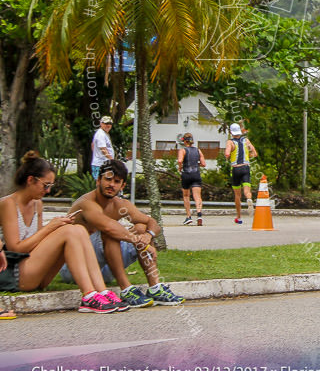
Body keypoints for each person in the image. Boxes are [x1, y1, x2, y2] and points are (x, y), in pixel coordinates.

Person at [0, 152, 126, 313]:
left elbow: (35, 244)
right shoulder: (8, 204)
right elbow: (15, 248)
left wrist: (55, 228)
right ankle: (88, 295)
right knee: (68, 232)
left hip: (36, 273)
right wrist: (51, 228)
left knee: (78, 229)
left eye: (50, 186)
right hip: (15, 273)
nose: (47, 191)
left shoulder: (37, 204)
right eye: (45, 185)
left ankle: (101, 291)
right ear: (30, 180)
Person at [64, 159, 184, 307]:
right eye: (108, 179)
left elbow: (152, 223)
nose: (111, 185)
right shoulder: (87, 203)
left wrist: (148, 236)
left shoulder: (120, 205)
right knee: (111, 232)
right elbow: (108, 227)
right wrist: (141, 242)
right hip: (75, 268)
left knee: (141, 227)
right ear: (98, 180)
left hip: (103, 270)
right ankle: (126, 289)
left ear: (122, 186)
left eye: (116, 181)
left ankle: (155, 288)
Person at [225, 123, 258, 225]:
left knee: (237, 195)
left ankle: (239, 217)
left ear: (231, 132)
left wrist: (228, 157)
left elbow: (227, 154)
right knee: (247, 190)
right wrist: (249, 155)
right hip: (246, 167)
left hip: (236, 169)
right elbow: (254, 153)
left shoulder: (230, 142)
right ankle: (249, 198)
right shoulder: (246, 140)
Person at [177, 133, 206, 226]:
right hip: (196, 174)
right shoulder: (198, 150)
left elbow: (180, 160)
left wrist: (180, 167)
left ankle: (189, 216)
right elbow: (203, 164)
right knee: (197, 196)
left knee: (186, 196)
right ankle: (199, 214)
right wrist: (196, 164)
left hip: (186, 174)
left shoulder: (183, 150)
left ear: (184, 141)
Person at [91, 115, 116, 179]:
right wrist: (112, 161)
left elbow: (92, 145)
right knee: (101, 185)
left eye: (110, 123)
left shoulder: (104, 133)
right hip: (101, 165)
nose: (108, 125)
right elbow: (103, 149)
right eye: (106, 123)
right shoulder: (101, 134)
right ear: (101, 123)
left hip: (103, 163)